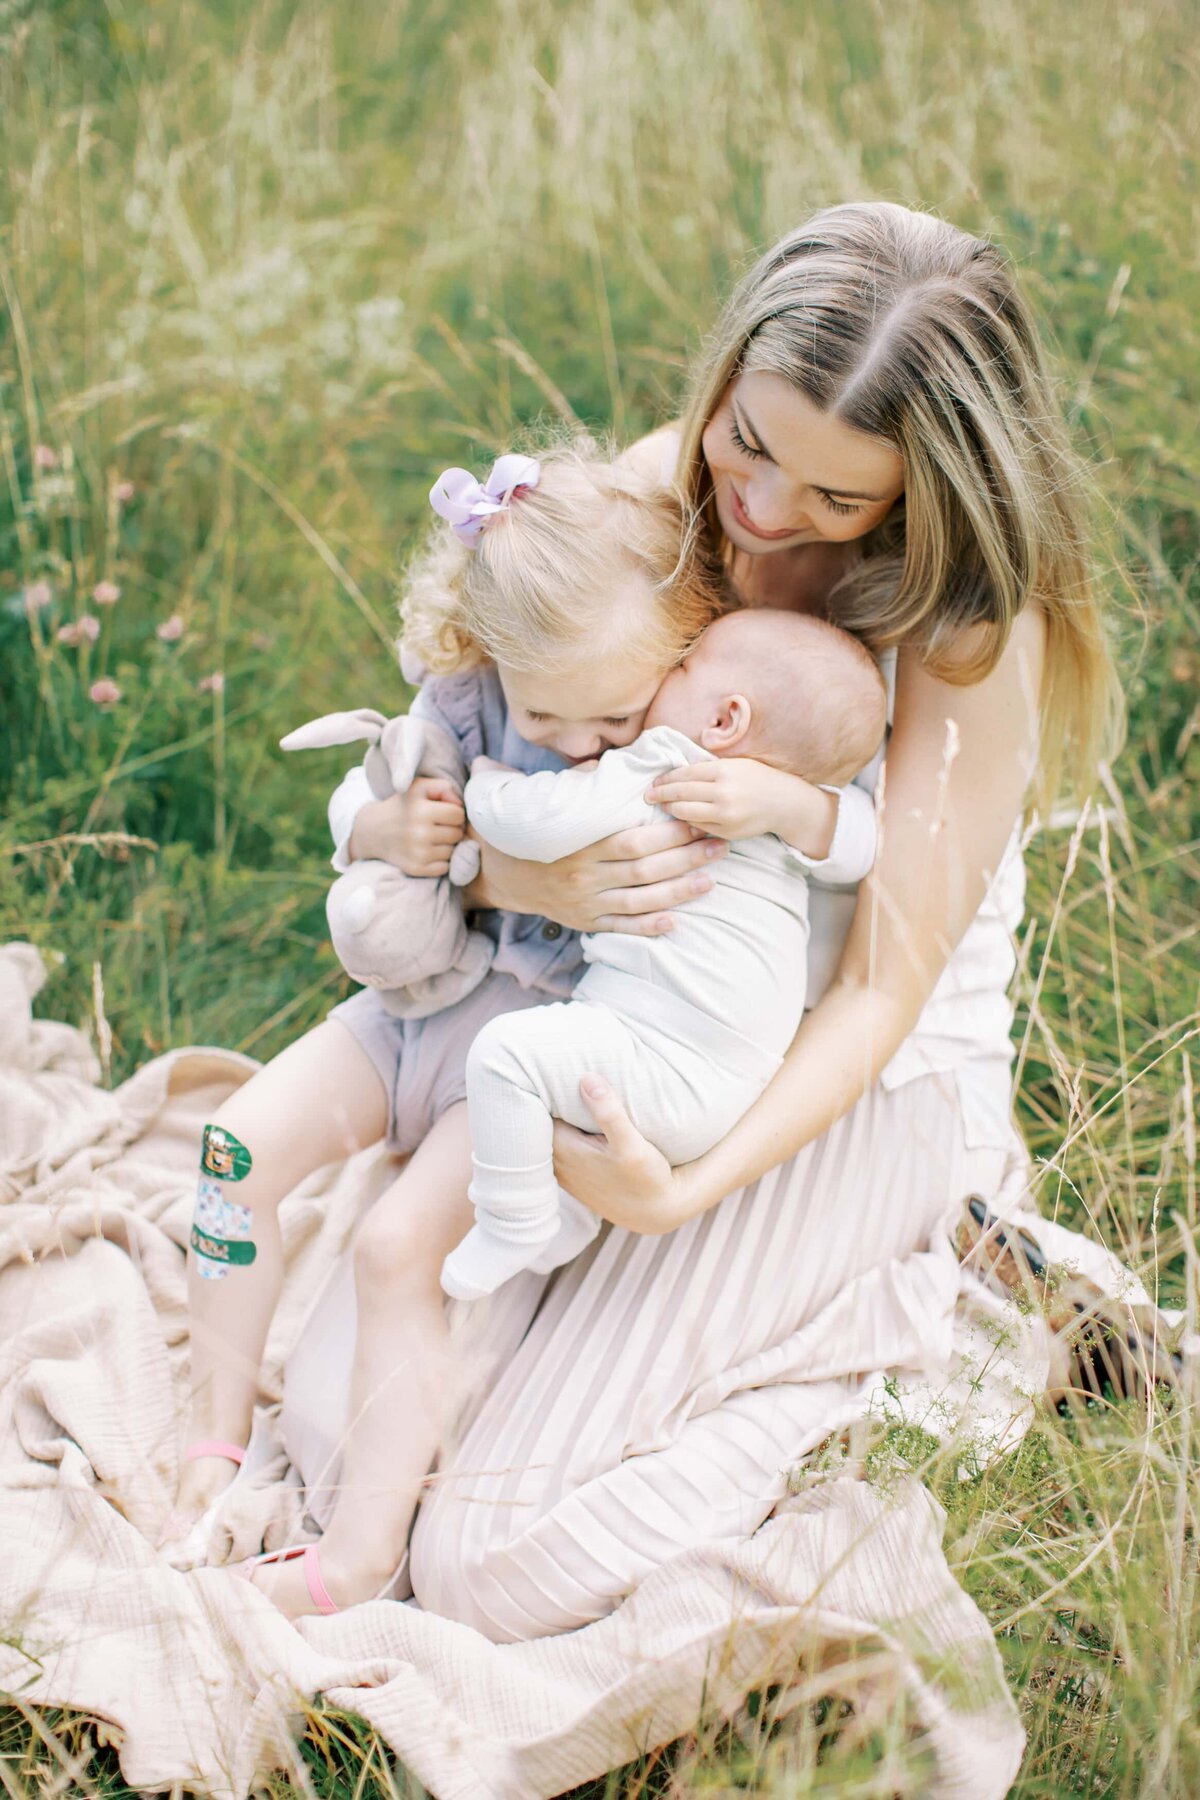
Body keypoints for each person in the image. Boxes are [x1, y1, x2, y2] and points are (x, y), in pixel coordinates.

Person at [296, 199, 1119, 1645]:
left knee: (494, 1565)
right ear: (728, 377)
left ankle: (951, 1298)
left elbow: (882, 988)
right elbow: (466, 767)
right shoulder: (646, 503)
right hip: (616, 1012)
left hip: (840, 1083)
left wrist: (687, 1191)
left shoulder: (966, 629)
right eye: (751, 443)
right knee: (329, 1444)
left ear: (926, 492)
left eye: (834, 498)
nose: (760, 513)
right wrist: (514, 883)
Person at [166, 439, 867, 1618]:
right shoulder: (471, 699)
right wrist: (386, 834)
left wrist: (778, 800)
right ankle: (212, 1443)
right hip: (412, 1013)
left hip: (540, 1043)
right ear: (490, 656)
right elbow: (375, 787)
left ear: (682, 657)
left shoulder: (685, 752)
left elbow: (841, 842)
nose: (583, 739)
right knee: (232, 1153)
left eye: (611, 713)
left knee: (398, 1253)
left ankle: (356, 1556)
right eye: (548, 711)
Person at [444, 605, 885, 1299]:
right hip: (736, 1090)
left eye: (682, 667)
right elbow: (865, 843)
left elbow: (541, 820)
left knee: (505, 1058)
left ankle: (512, 1221)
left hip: (656, 1056)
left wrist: (484, 784)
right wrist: (791, 803)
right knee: (553, 1071)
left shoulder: (667, 762)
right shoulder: (782, 812)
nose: (662, 680)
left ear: (724, 721)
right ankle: (564, 1215)